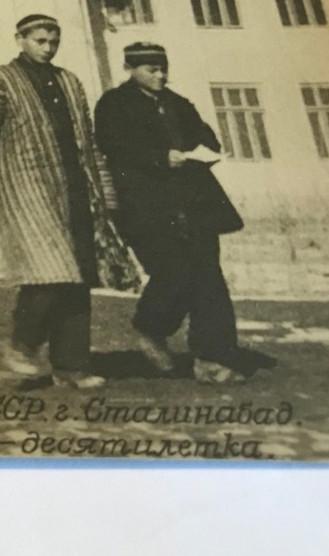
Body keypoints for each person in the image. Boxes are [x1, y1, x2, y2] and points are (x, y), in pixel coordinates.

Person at [0, 14, 137, 388]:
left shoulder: (69, 82)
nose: (47, 48)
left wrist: (105, 192)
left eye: (53, 42)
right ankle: (19, 346)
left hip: (75, 188)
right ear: (20, 39)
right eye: (40, 40)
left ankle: (71, 366)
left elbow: (89, 144)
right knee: (48, 271)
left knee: (77, 280)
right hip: (25, 188)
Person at [94, 42, 248, 384]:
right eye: (151, 69)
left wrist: (203, 148)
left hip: (194, 204)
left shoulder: (178, 104)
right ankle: (150, 329)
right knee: (174, 274)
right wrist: (160, 158)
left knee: (209, 278)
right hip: (146, 206)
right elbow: (113, 147)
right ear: (130, 68)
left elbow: (207, 136)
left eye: (163, 68)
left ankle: (212, 360)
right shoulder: (114, 105)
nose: (160, 75)